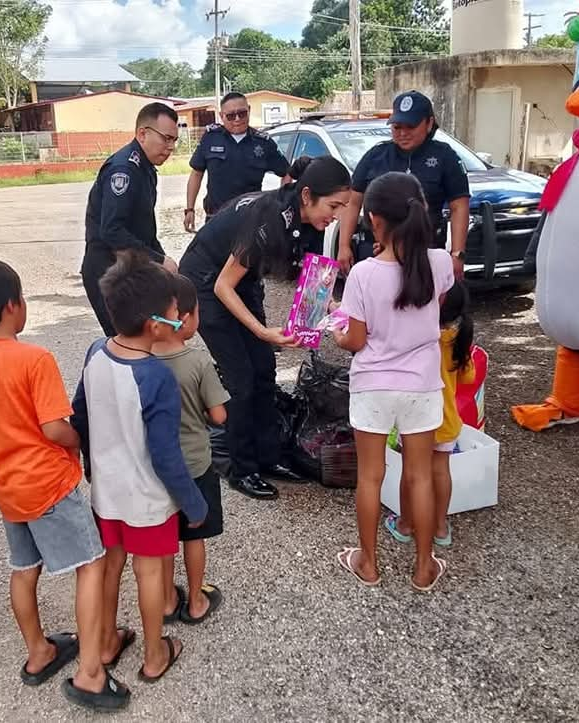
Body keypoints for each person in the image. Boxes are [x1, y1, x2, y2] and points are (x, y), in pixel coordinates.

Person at [0, 257, 130, 711]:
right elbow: (54, 428)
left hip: (7, 488)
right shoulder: (33, 358)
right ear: (13, 306)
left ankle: (39, 651)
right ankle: (90, 672)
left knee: (24, 569)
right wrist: (80, 437)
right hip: (49, 484)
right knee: (90, 564)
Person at [178, 155, 352, 500]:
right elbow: (222, 286)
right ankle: (242, 469)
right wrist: (261, 331)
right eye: (333, 205)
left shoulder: (312, 221)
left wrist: (333, 309)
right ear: (306, 195)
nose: (336, 215)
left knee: (264, 370)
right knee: (241, 378)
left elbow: (314, 278)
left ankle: (269, 457)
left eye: (342, 207)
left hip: (242, 281)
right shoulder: (268, 219)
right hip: (206, 282)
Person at [71, 251, 208, 683]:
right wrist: (193, 502)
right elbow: (167, 456)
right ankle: (154, 654)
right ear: (154, 324)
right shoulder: (156, 378)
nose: (177, 315)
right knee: (149, 572)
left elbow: (80, 415)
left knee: (111, 567)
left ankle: (108, 641)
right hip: (148, 499)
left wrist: (91, 465)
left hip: (106, 493)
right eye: (172, 309)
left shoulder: (95, 352)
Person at [332, 172, 454, 593]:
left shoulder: (364, 274)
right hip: (422, 385)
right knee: (420, 476)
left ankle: (368, 562)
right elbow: (430, 314)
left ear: (374, 220)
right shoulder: (440, 263)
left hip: (373, 386)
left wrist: (336, 330)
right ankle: (423, 568)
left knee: (370, 477)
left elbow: (356, 339)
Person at [153, 274, 230, 625]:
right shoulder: (198, 362)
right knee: (194, 536)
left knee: (167, 536)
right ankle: (196, 599)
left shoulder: (145, 359)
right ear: (184, 319)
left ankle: (167, 600)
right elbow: (218, 415)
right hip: (196, 465)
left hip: (158, 469)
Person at [336, 91, 470, 280]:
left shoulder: (445, 157)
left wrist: (457, 254)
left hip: (424, 254)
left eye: (411, 126)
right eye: (397, 127)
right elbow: (353, 202)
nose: (403, 133)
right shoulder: (376, 156)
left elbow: (460, 206)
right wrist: (343, 245)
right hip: (377, 253)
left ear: (429, 123)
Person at [384, 280, 475, 548]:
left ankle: (405, 524)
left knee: (411, 474)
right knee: (441, 472)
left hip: (415, 419)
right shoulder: (458, 338)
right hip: (446, 420)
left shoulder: (421, 338)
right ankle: (440, 527)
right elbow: (468, 377)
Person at [82, 102, 181, 336]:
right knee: (127, 343)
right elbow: (112, 231)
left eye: (174, 141)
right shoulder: (123, 170)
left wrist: (163, 260)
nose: (170, 147)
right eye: (166, 138)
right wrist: (158, 260)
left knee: (146, 340)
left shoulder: (145, 168)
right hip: (108, 271)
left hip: (129, 269)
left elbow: (143, 230)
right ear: (142, 134)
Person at [184, 92, 291, 230]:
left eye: (242, 113)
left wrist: (281, 204)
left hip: (250, 220)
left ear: (249, 110)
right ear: (222, 116)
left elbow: (287, 173)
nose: (237, 119)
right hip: (216, 219)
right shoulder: (211, 138)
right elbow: (196, 174)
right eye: (230, 116)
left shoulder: (264, 143)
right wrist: (189, 209)